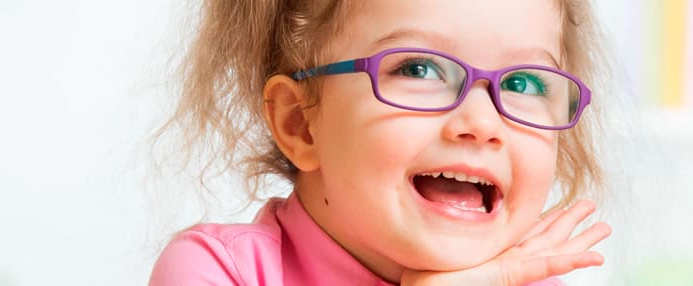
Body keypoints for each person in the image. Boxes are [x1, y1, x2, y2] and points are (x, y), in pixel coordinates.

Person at [149, 0, 620, 284]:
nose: (482, 121)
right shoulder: (217, 273)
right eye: (418, 69)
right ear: (300, 123)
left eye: (523, 84)